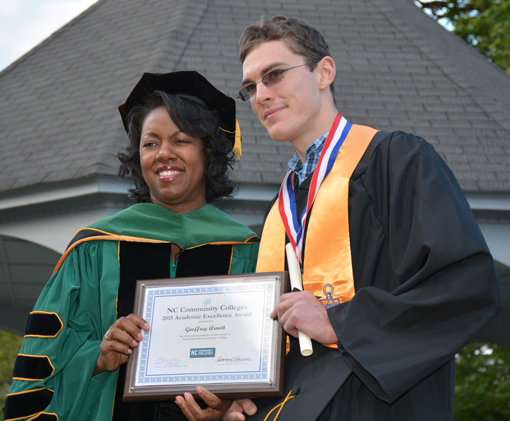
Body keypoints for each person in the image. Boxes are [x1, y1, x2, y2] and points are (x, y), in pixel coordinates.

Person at [221, 15, 502, 421]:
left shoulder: (398, 160)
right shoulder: (280, 209)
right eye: (251, 86)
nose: (261, 94)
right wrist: (244, 394)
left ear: (324, 72)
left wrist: (340, 322)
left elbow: (465, 284)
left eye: (275, 75)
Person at [3, 71, 259, 421]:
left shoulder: (249, 251)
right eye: (151, 143)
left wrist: (228, 408)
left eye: (181, 140)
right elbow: (40, 368)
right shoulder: (92, 249)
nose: (164, 154)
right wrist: (98, 357)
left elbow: (273, 373)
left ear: (207, 150)